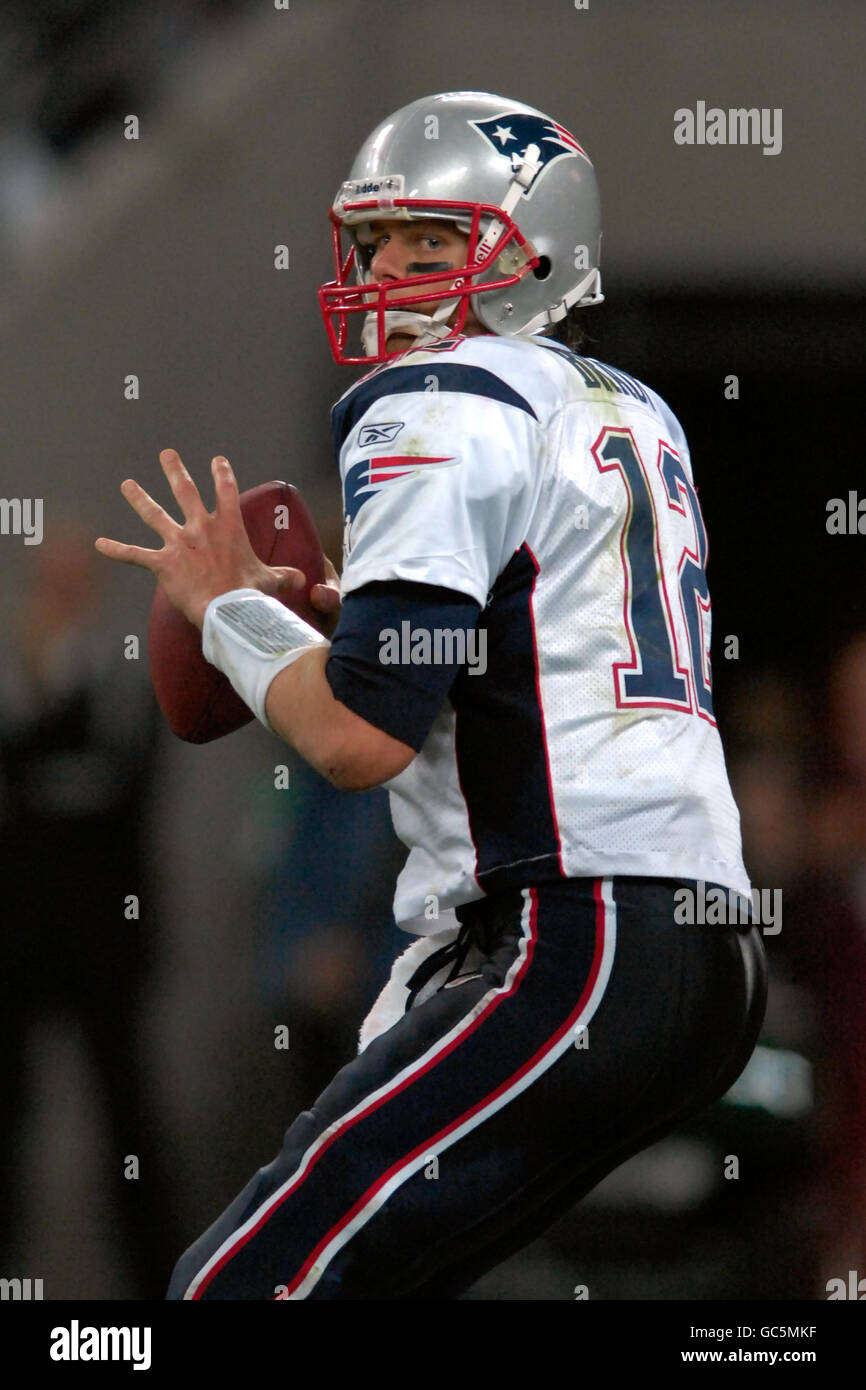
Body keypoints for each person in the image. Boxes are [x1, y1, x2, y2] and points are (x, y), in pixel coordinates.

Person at [96, 91, 767, 1300]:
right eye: (375, 244)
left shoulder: (437, 398)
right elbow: (518, 648)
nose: (390, 275)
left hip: (577, 937)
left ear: (530, 252)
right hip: (699, 949)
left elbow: (357, 736)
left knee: (240, 1286)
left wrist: (226, 609)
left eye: (432, 244)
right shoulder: (633, 412)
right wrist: (349, 614)